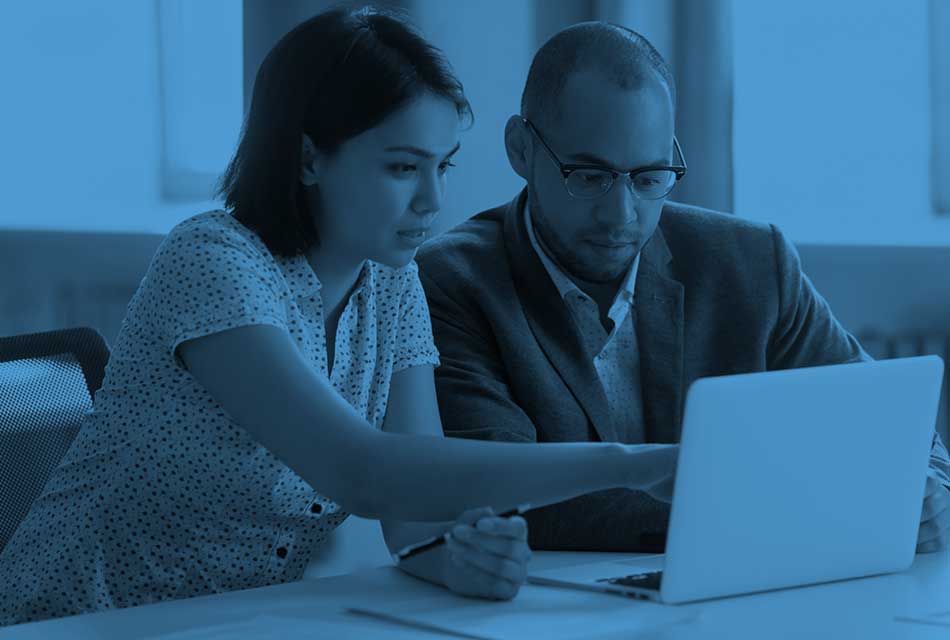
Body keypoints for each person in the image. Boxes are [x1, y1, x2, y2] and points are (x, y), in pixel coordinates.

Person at [0, 8, 679, 626]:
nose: (432, 200)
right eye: (402, 167)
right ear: (307, 158)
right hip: (74, 619)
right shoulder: (211, 261)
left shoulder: (393, 281)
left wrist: (454, 556)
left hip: (242, 620)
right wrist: (626, 463)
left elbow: (413, 515)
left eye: (443, 165)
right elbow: (362, 471)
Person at [416, 21, 950, 553]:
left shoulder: (753, 262)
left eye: (649, 178)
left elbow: (889, 424)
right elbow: (506, 497)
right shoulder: (453, 282)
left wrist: (926, 487)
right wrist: (804, 504)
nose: (621, 215)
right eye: (588, 176)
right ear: (520, 150)